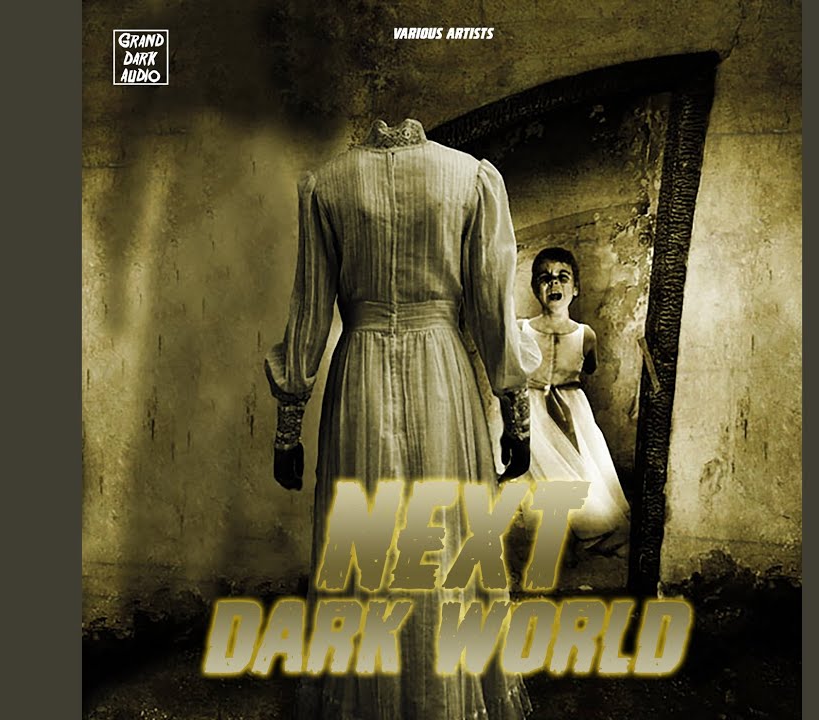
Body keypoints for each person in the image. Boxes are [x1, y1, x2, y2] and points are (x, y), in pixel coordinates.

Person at [264, 118, 533, 720]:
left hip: (360, 368)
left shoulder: (331, 183)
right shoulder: (467, 177)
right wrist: (516, 416)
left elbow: (310, 308)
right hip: (441, 369)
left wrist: (289, 425)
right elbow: (493, 305)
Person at [519, 247, 630, 558]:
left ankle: (587, 532)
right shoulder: (522, 329)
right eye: (545, 278)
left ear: (576, 288)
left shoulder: (585, 335)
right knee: (544, 471)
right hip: (534, 408)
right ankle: (558, 538)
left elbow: (589, 367)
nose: (553, 284)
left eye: (562, 277)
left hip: (572, 407)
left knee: (582, 467)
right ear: (535, 288)